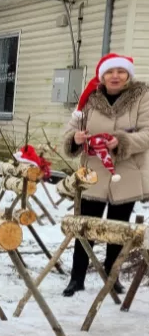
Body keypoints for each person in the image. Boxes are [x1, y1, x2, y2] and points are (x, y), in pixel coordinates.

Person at [62, 53, 149, 297]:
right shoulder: (90, 98)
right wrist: (75, 138)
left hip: (127, 171)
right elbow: (71, 129)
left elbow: (147, 133)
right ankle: (76, 278)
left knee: (118, 230)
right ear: (103, 75)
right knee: (85, 226)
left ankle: (113, 277)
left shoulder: (142, 97)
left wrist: (120, 141)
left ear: (128, 75)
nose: (115, 76)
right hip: (93, 173)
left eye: (121, 71)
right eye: (110, 72)